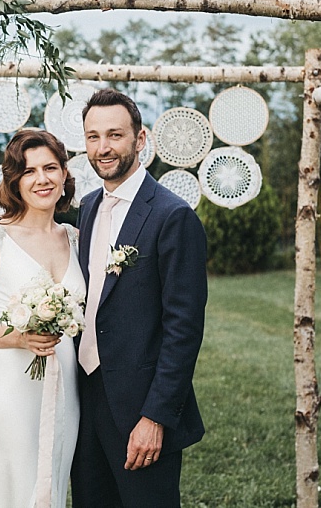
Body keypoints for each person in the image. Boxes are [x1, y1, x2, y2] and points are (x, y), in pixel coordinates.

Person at [71, 88, 209, 508]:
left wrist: (155, 417)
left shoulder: (173, 216)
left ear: (140, 139)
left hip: (141, 406)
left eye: (114, 135)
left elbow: (183, 329)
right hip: (86, 396)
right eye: (93, 137)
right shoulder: (90, 206)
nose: (103, 148)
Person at [0, 129, 85, 508]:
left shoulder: (75, 237)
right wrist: (17, 339)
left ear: (64, 175)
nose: (42, 179)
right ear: (15, 181)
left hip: (66, 390)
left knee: (52, 490)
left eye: (51, 168)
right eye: (29, 171)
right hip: (12, 390)